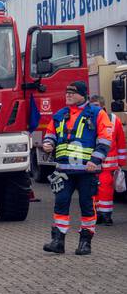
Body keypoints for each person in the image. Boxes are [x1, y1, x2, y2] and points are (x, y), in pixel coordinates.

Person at [41, 81, 112, 254]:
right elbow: (50, 134)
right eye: (67, 92)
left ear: (83, 94)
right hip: (64, 170)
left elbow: (105, 139)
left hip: (87, 171)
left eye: (72, 92)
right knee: (61, 203)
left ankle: (85, 242)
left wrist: (95, 160)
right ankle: (58, 241)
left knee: (87, 205)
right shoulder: (60, 114)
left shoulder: (97, 113)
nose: (68, 95)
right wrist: (48, 143)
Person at [89, 95, 124, 225]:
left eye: (96, 106)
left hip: (108, 165)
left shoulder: (114, 120)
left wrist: (121, 163)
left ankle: (106, 215)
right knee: (93, 191)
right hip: (92, 164)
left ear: (103, 107)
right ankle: (97, 214)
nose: (94, 108)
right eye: (91, 106)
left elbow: (120, 142)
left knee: (106, 190)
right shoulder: (87, 119)